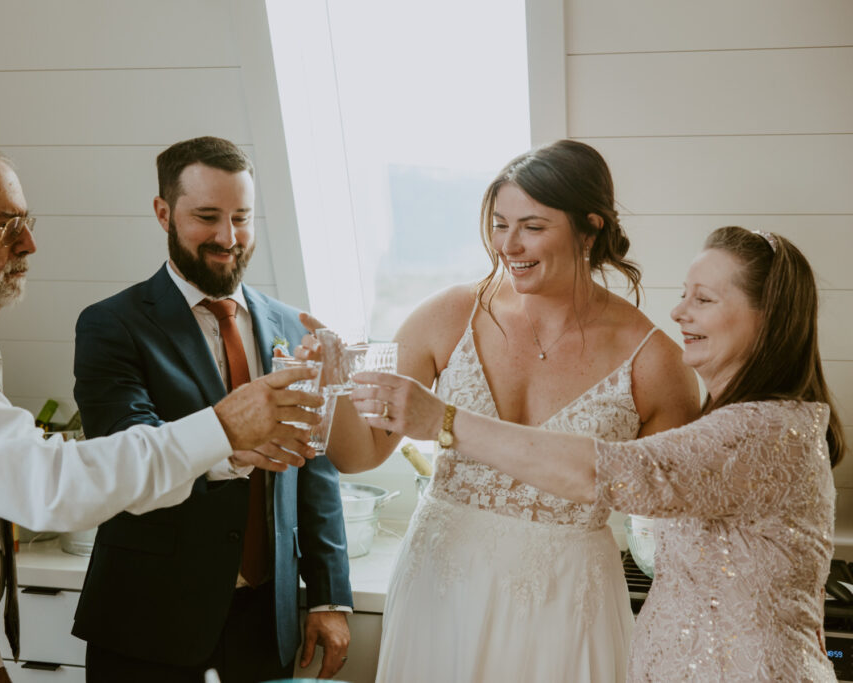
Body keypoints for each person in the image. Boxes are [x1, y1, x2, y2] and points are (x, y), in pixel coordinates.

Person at [0, 145, 323, 683]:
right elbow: (46, 487)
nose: (30, 243)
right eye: (6, 225)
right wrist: (223, 426)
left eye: (27, 221)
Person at [354, 226, 844, 681]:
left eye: (704, 299)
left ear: (769, 317)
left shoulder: (760, 432)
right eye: (683, 295)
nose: (679, 313)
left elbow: (604, 472)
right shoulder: (751, 423)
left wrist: (445, 421)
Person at [305, 139, 701, 682]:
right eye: (499, 224)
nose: (509, 245)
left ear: (591, 228)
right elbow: (360, 455)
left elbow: (672, 533)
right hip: (440, 588)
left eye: (533, 226)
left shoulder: (655, 362)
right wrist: (330, 384)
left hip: (567, 604)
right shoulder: (449, 314)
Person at [70, 136, 353, 683]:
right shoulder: (110, 326)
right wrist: (235, 450)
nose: (229, 239)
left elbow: (315, 464)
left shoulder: (293, 325)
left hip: (266, 624)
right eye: (207, 217)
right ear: (163, 213)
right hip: (148, 623)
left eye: (242, 218)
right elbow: (128, 451)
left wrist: (327, 597)